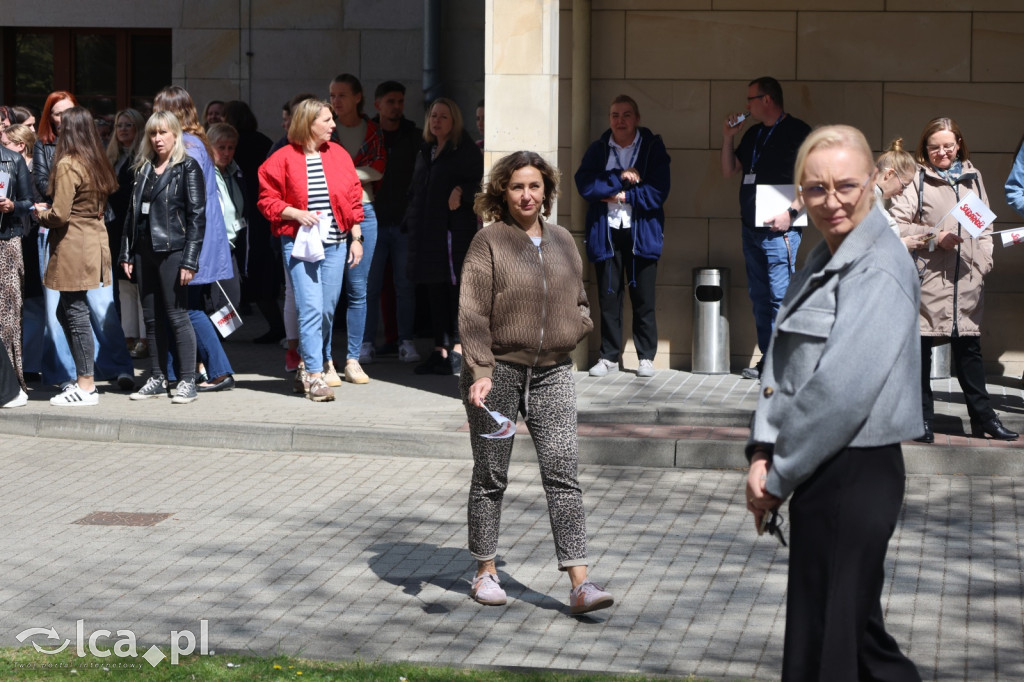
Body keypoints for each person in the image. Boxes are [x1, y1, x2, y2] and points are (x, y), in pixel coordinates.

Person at [745, 124, 922, 682]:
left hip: (854, 469)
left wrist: (778, 476)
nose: (832, 200)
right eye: (816, 188)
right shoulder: (823, 254)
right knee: (859, 643)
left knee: (826, 646)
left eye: (846, 184)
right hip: (822, 465)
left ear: (873, 180)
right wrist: (761, 448)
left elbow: (839, 391)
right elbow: (784, 367)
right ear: (799, 192)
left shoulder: (879, 265)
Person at [461, 150, 613, 614]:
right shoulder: (488, 242)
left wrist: (575, 327)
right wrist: (481, 371)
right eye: (516, 187)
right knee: (491, 474)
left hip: (553, 374)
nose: (526, 195)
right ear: (502, 193)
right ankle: (485, 571)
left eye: (534, 186)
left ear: (546, 190)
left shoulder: (566, 239)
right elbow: (471, 312)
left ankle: (580, 583)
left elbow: (581, 300)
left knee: (563, 472)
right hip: (499, 374)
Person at [889, 117, 1016, 443]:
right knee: (921, 351)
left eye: (948, 145)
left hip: (968, 282)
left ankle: (984, 419)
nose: (942, 152)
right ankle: (921, 420)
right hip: (929, 281)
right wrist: (934, 236)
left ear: (958, 144)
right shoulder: (917, 180)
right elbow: (896, 225)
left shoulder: (973, 177)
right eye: (935, 147)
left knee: (969, 352)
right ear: (925, 149)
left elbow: (985, 226)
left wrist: (984, 262)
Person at [258, 98, 364, 402]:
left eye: (332, 120)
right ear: (308, 123)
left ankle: (306, 364)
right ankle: (316, 377)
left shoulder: (339, 156)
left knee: (328, 309)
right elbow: (267, 200)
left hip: (335, 243)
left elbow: (354, 200)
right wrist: (294, 213)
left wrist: (357, 238)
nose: (333, 125)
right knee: (310, 307)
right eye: (327, 120)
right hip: (299, 242)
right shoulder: (281, 159)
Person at [33, 91, 135, 391]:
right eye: (56, 116)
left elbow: (60, 214)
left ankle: (84, 382)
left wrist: (41, 215)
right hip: (95, 240)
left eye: (66, 118)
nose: (60, 124)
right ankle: (83, 375)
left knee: (73, 313)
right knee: (74, 311)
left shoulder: (68, 163)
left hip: (73, 244)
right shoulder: (97, 158)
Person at [575, 94, 671, 378]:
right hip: (606, 233)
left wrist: (621, 195)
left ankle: (645, 357)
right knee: (608, 297)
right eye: (615, 115)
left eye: (626, 115)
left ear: (637, 119)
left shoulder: (652, 148)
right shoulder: (598, 149)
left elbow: (658, 192)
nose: (620, 120)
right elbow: (586, 186)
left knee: (643, 298)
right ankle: (608, 357)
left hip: (642, 233)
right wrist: (621, 177)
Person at [722, 77, 811, 380]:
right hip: (752, 227)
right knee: (760, 297)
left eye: (751, 99)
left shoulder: (798, 132)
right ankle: (769, 360)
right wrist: (728, 137)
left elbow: (815, 183)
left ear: (767, 100)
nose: (747, 105)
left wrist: (791, 213)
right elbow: (729, 170)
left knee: (779, 295)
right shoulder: (754, 134)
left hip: (781, 228)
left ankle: (786, 364)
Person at [151, 86, 236, 394]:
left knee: (187, 308)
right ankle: (189, 370)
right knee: (186, 305)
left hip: (192, 242)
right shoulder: (195, 141)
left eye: (159, 109)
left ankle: (219, 370)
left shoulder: (188, 146)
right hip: (199, 241)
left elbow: (189, 202)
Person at [119, 111, 205, 405]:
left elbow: (197, 217)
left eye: (163, 133)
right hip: (144, 252)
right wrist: (127, 252)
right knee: (151, 319)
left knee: (178, 316)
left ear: (175, 135)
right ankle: (156, 377)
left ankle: (187, 380)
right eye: (153, 133)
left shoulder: (187, 167)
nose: (157, 139)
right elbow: (132, 215)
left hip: (174, 251)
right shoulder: (143, 168)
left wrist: (190, 260)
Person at [404, 97, 483, 376]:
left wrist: (463, 190)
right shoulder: (426, 150)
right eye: (433, 116)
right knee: (433, 289)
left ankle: (460, 349)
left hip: (453, 233)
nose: (437, 121)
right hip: (426, 232)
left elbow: (482, 183)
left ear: (454, 122)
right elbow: (416, 189)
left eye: (443, 117)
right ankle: (440, 348)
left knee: (456, 290)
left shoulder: (465, 151)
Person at [327, 73, 382, 385]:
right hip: (332, 213)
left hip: (366, 211)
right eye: (332, 95)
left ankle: (353, 359)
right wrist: (356, 175)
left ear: (358, 97)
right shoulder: (325, 131)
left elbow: (379, 169)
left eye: (342, 95)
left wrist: (345, 173)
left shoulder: (371, 129)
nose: (336, 101)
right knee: (329, 291)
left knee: (358, 289)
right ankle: (325, 359)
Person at [362, 80, 420, 364]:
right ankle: (366, 342)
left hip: (404, 222)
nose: (396, 107)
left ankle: (405, 341)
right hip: (372, 220)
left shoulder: (414, 136)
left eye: (400, 101)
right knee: (369, 287)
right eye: (390, 102)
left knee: (404, 286)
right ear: (377, 105)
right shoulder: (368, 133)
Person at [223, 100, 285, 345]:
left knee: (232, 282)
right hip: (262, 216)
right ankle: (276, 326)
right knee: (261, 279)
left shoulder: (232, 147)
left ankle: (221, 332)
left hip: (240, 217)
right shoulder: (264, 142)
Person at [106, 108, 148, 358]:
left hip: (134, 226)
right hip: (114, 228)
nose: (122, 129)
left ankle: (145, 337)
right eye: (119, 125)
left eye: (128, 125)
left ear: (138, 128)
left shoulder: (142, 158)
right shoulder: (111, 156)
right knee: (123, 285)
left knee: (139, 284)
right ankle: (128, 336)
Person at [0, 121, 34, 392]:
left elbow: (28, 202)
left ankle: (11, 382)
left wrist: (12, 206)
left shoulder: (12, 160)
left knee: (8, 316)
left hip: (6, 242)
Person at [874, 138, 928, 251]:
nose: (901, 192)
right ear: (889, 174)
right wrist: (902, 244)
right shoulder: (866, 201)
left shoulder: (872, 199)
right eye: (903, 185)